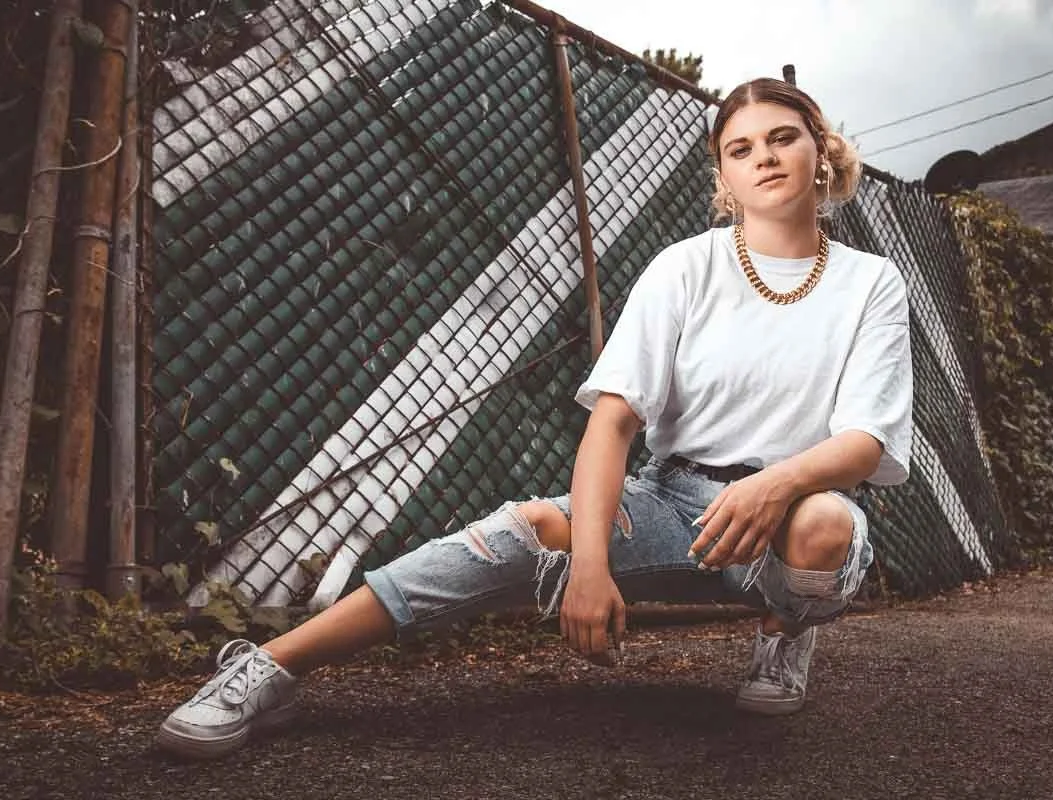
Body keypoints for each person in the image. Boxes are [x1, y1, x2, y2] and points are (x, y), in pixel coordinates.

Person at [156, 77, 913, 760]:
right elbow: (613, 424)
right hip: (674, 502)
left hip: (792, 515)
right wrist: (586, 564)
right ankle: (271, 665)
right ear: (724, 177)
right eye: (740, 148)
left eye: (784, 137)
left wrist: (773, 484)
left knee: (825, 525)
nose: (765, 158)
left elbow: (863, 441)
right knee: (510, 532)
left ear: (822, 151)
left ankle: (786, 634)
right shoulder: (686, 267)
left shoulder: (870, 283)